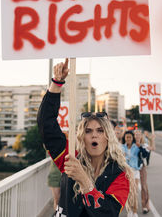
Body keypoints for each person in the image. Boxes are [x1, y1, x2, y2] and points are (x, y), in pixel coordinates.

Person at [38, 59, 137, 217]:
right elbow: (46, 125)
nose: (94, 135)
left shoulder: (120, 174)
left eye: (100, 130)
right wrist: (57, 83)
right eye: (88, 131)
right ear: (82, 137)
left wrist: (84, 180)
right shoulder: (71, 158)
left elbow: (108, 214)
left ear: (108, 138)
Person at [134, 130, 154, 214]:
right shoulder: (130, 145)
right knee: (132, 188)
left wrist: (151, 140)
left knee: (144, 187)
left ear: (141, 136)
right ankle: (132, 206)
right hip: (132, 168)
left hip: (142, 168)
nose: (137, 136)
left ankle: (145, 206)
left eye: (139, 134)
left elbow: (146, 154)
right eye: (136, 134)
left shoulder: (144, 145)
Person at [122, 131, 141, 217]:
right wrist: (123, 156)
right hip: (126, 172)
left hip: (135, 171)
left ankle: (135, 211)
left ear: (132, 138)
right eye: (127, 137)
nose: (128, 139)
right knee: (128, 193)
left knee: (135, 192)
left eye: (130, 137)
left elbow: (142, 154)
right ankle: (129, 211)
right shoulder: (122, 147)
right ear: (125, 138)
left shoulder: (136, 147)